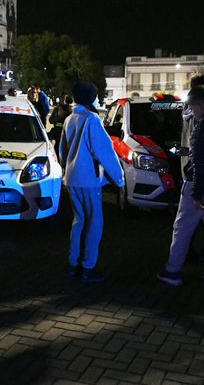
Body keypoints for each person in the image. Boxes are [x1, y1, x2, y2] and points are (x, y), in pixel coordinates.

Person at [157, 85, 204, 287]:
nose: (190, 112)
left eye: (192, 107)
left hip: (202, 184)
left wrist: (197, 194)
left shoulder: (202, 128)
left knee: (182, 228)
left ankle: (172, 271)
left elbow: (203, 165)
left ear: (199, 104)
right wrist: (189, 151)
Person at [58, 81, 125, 283]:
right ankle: (88, 267)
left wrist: (68, 167)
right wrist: (119, 179)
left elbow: (63, 151)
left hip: (71, 179)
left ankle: (73, 263)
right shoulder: (92, 119)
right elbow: (105, 151)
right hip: (88, 180)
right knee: (94, 223)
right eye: (96, 96)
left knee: (78, 222)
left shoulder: (70, 119)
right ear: (89, 99)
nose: (98, 99)